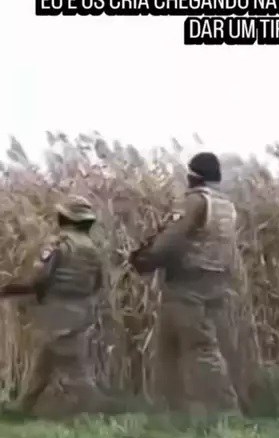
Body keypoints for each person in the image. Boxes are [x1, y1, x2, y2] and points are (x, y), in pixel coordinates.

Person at [129, 152, 242, 419]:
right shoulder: (226, 205)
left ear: (192, 175)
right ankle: (173, 410)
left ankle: (227, 412)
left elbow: (173, 238)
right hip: (215, 282)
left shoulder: (196, 200)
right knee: (168, 348)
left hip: (187, 285)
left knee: (201, 349)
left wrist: (146, 259)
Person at [0, 195, 104, 416]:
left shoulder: (59, 244)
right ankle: (24, 406)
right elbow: (98, 283)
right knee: (44, 359)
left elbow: (40, 278)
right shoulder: (92, 248)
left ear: (65, 217)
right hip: (82, 309)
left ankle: (95, 410)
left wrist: (9, 290)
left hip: (58, 312)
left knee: (73, 366)